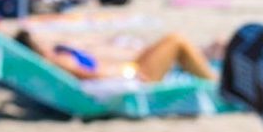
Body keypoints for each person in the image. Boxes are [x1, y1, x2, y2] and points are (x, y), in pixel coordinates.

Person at [14, 28, 216, 82]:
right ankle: (214, 80)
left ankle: (209, 74)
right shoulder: (57, 60)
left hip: (130, 68)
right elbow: (89, 76)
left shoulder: (56, 55)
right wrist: (126, 77)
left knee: (171, 42)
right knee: (176, 40)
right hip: (132, 76)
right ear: (36, 47)